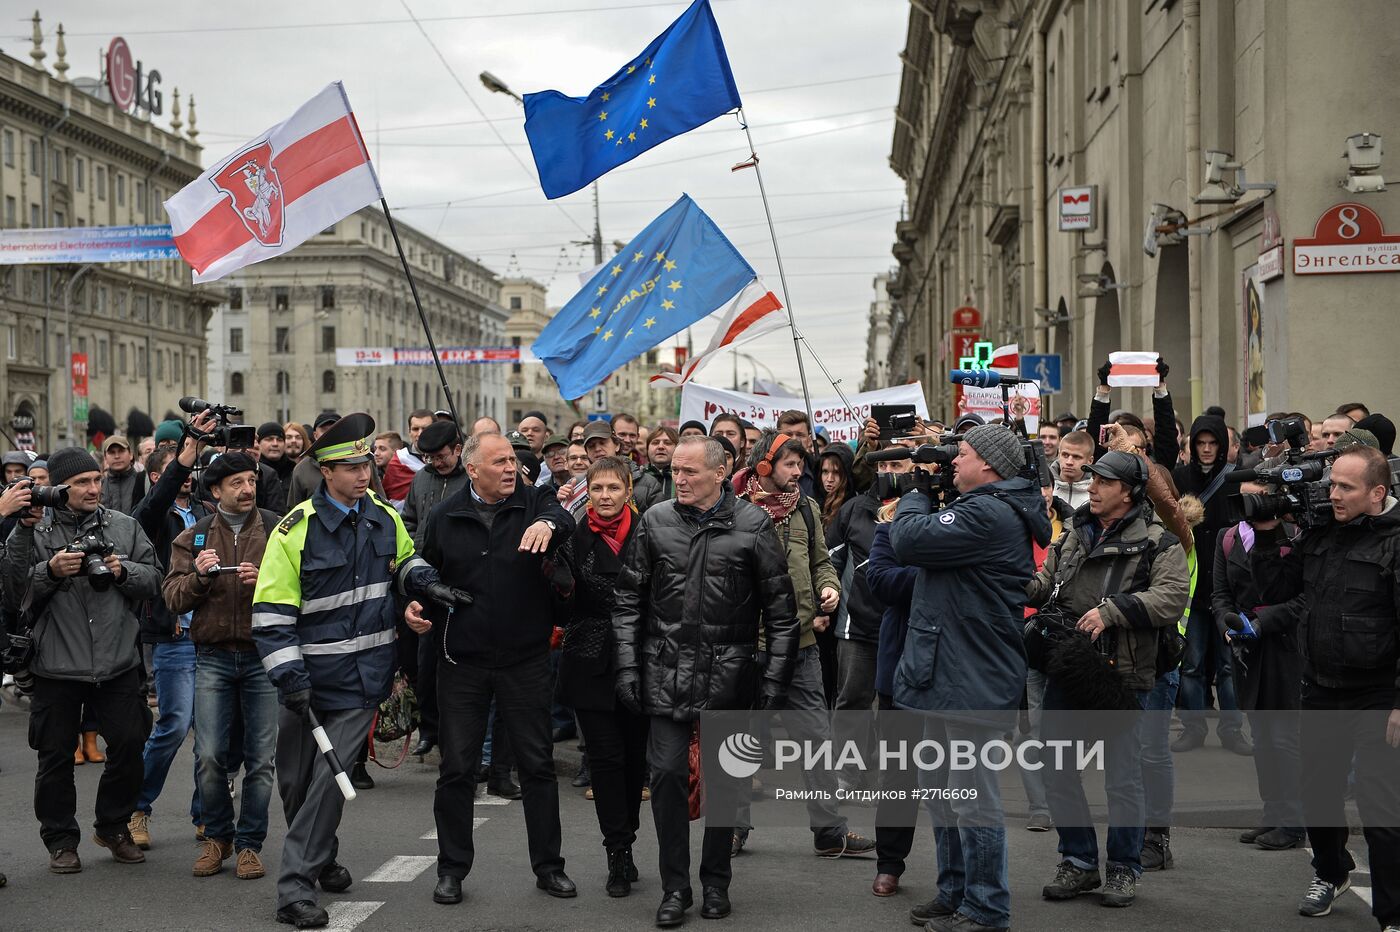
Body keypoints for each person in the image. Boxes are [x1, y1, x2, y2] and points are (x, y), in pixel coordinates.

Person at [252, 413, 449, 929]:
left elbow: (404, 561)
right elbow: (271, 617)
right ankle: (321, 855)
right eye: (352, 466)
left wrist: (424, 582)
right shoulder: (293, 531)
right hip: (305, 681)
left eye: (366, 463)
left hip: (362, 682)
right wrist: (289, 677)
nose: (365, 474)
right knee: (295, 783)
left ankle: (293, 889)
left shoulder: (383, 516)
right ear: (325, 471)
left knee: (325, 785)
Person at [613, 435, 799, 927]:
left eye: (690, 471)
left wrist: (775, 684)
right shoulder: (655, 521)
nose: (681, 479)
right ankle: (676, 888)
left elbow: (782, 615)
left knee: (726, 785)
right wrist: (628, 667)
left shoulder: (754, 525)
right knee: (669, 777)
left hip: (731, 679)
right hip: (665, 673)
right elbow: (628, 601)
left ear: (721, 473)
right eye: (676, 470)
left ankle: (716, 882)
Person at [889, 423, 1052, 932]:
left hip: (972, 673)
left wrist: (915, 494)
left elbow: (908, 540)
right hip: (949, 667)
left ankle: (986, 908)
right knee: (942, 795)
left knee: (973, 802)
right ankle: (955, 891)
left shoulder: (989, 512)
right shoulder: (983, 507)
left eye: (961, 453)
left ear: (990, 464)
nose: (952, 461)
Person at [414, 431, 577, 908]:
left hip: (525, 659)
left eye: (513, 459)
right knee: (457, 769)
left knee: (538, 767)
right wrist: (416, 605)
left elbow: (563, 517)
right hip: (461, 662)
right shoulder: (446, 516)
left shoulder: (535, 501)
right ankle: (451, 870)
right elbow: (424, 570)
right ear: (473, 470)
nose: (511, 468)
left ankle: (550, 867)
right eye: (500, 461)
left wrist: (549, 524)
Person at [1025, 451, 1190, 910]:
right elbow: (1044, 583)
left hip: (1125, 675)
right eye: (1092, 478)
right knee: (1057, 770)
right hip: (1071, 666)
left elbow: (1172, 597)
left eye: (1104, 480)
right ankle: (1078, 862)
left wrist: (1112, 611)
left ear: (1129, 491)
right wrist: (1015, 579)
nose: (1092, 486)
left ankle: (1123, 868)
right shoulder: (1075, 532)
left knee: (1122, 779)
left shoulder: (1160, 541)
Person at [1250, 445, 1400, 925]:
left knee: (1381, 808)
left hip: (1378, 693)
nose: (1333, 494)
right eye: (1332, 483)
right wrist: (1272, 536)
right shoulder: (1319, 533)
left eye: (1346, 487)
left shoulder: (1395, 541)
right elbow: (1280, 592)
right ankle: (1331, 871)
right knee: (1318, 794)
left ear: (1378, 492)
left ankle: (1394, 911)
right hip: (1319, 687)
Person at [6, 446, 162, 873]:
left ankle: (112, 825)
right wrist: (51, 571)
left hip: (117, 661)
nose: (93, 488)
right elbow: (14, 591)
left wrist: (122, 570)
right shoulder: (34, 530)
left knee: (130, 745)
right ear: (60, 488)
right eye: (81, 483)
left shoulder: (124, 526)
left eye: (96, 480)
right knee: (55, 756)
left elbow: (155, 580)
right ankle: (60, 840)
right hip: (55, 663)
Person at [731, 432, 872, 860]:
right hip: (749, 646)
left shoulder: (808, 511)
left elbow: (821, 562)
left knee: (817, 739)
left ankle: (830, 832)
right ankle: (733, 830)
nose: (799, 474)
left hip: (803, 645)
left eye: (801, 466)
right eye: (791, 466)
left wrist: (829, 588)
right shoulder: (733, 512)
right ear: (763, 467)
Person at [162, 452, 280, 880]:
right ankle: (217, 837)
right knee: (209, 754)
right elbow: (172, 597)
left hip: (261, 654)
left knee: (261, 759)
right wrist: (198, 576)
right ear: (215, 491)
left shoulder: (276, 530)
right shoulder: (193, 536)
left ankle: (250, 845)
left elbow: (302, 586)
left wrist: (265, 578)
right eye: (237, 483)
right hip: (211, 656)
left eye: (251, 481)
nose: (247, 489)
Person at [127, 413, 222, 850]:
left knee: (210, 735)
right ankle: (137, 808)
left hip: (211, 636)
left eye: (186, 473)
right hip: (173, 638)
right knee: (173, 725)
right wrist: (182, 458)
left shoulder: (207, 512)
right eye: (172, 474)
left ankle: (206, 816)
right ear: (154, 477)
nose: (183, 480)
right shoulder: (149, 517)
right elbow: (158, 498)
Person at [555, 457, 649, 896]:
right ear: (587, 492)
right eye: (597, 489)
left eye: (614, 488)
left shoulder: (651, 532)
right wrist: (557, 585)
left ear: (629, 490)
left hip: (641, 661)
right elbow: (561, 607)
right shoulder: (573, 539)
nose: (605, 496)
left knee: (634, 759)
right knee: (606, 761)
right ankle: (618, 851)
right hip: (589, 659)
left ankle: (626, 831)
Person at [1211, 482, 1305, 853]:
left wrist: (1263, 623)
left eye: (1261, 496)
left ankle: (1294, 821)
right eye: (1246, 497)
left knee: (1285, 739)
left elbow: (1304, 597)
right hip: (1247, 651)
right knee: (1263, 737)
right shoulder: (1228, 536)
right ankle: (1273, 811)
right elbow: (1219, 594)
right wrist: (1227, 626)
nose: (1253, 504)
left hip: (1286, 648)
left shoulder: (1296, 534)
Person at [860, 454, 921, 899]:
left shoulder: (971, 517)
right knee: (899, 774)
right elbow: (880, 579)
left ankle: (961, 876)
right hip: (900, 665)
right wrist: (937, 575)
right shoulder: (892, 520)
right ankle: (889, 863)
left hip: (954, 669)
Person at [1172, 414, 1250, 754]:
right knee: (1190, 663)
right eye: (1200, 443)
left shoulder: (1234, 479)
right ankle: (1193, 727)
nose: (1206, 449)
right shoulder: (1179, 478)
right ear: (1191, 444)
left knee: (1229, 664)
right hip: (1190, 587)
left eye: (1212, 443)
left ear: (1222, 445)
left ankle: (1232, 730)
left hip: (1227, 589)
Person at [401, 420, 470, 761]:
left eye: (442, 456)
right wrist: (415, 551)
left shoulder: (471, 479)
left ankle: (456, 734)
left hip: (459, 579)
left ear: (458, 450)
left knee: (456, 662)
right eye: (429, 457)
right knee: (425, 664)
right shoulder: (421, 478)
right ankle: (429, 730)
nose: (436, 463)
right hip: (424, 579)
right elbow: (410, 520)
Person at [100, 436, 149, 515]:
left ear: (131, 455)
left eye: (121, 451)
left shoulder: (143, 482)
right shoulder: (99, 486)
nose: (117, 456)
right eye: (112, 452)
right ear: (105, 458)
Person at [634, 426, 677, 512]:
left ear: (677, 448)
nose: (660, 447)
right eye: (655, 443)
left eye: (667, 443)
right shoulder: (636, 477)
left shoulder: (685, 478)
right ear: (647, 449)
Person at [1052, 430, 1094, 513]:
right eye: (1065, 455)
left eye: (1076, 457)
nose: (1069, 462)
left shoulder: (1096, 493)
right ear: (1058, 455)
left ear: (1090, 461)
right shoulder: (1044, 488)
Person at [259, 423, 297, 487]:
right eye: (269, 439)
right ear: (258, 443)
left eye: (279, 440)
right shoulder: (253, 471)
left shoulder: (294, 471)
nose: (275, 444)